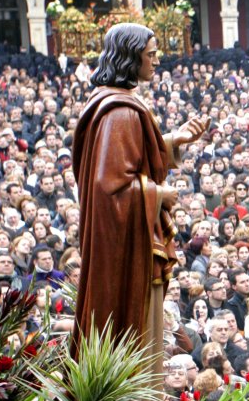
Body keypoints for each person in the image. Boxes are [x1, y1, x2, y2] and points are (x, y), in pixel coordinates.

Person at [72, 23, 208, 378]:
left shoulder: (115, 103)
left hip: (124, 240)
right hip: (126, 249)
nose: (157, 61)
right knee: (130, 325)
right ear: (131, 58)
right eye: (151, 54)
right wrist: (159, 194)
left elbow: (127, 162)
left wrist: (172, 141)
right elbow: (110, 187)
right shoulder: (121, 112)